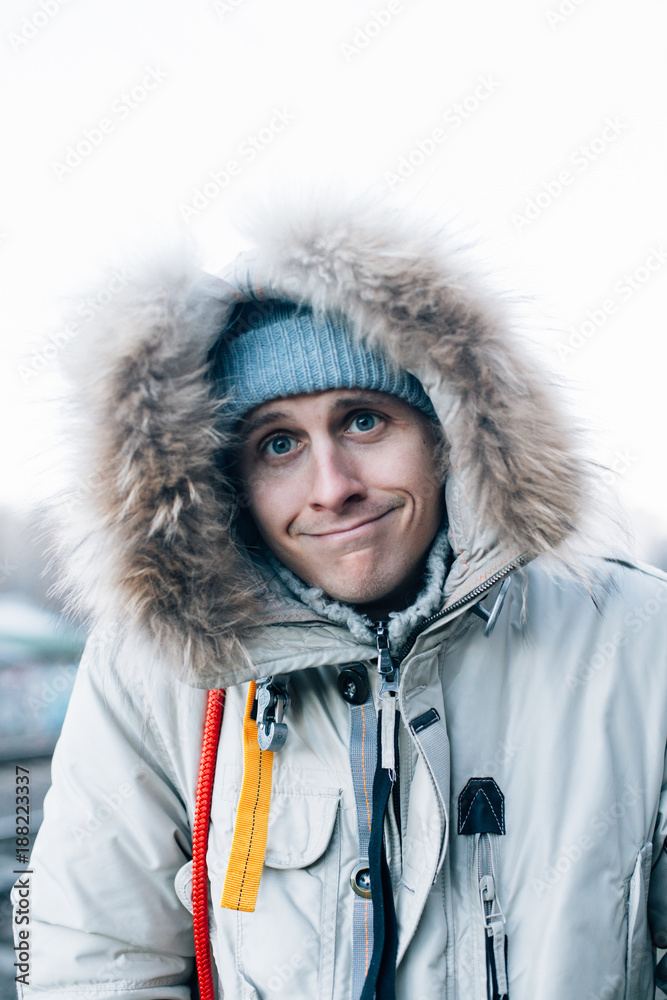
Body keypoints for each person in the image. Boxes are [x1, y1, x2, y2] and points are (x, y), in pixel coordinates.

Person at [15, 196, 667, 1000]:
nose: (332, 489)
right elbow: (93, 960)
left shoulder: (640, 642)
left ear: (446, 435)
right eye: (277, 444)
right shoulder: (156, 675)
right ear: (223, 483)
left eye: (363, 421)